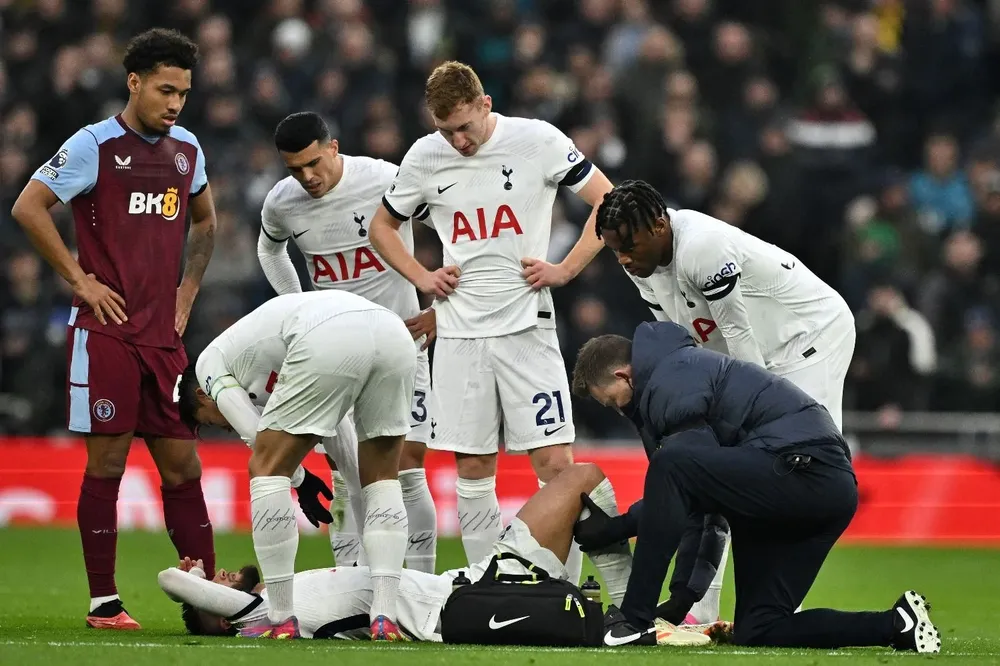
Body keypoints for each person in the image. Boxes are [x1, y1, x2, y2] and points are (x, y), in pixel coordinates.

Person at [369, 61, 614, 583]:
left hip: (528, 328)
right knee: (474, 467)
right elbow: (382, 227)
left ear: (486, 105)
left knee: (555, 465)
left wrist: (567, 268)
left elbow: (607, 200)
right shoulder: (424, 156)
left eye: (464, 126)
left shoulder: (537, 140)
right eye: (446, 131)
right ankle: (485, 585)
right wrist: (422, 276)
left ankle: (562, 589)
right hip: (460, 334)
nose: (458, 141)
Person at [10, 28, 218, 631]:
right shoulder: (93, 144)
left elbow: (206, 222)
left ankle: (209, 599)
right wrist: (80, 280)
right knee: (107, 465)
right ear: (134, 82)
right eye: (165, 90)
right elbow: (27, 206)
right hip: (106, 334)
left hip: (163, 339)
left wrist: (187, 290)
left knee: (184, 468)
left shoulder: (187, 150)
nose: (175, 104)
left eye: (183, 93)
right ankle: (104, 601)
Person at [571, 322, 941, 653]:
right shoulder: (678, 373)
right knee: (760, 628)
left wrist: (617, 528)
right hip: (808, 486)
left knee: (672, 464)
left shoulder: (671, 377)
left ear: (623, 375)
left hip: (805, 473)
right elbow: (700, 493)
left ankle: (634, 621)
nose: (617, 410)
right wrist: (682, 596)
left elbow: (685, 478)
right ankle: (897, 624)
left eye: (611, 400)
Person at [594, 179, 857, 624]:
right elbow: (681, 346)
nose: (622, 259)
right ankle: (700, 608)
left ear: (659, 225)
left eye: (629, 246)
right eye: (615, 250)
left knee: (791, 467)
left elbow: (739, 337)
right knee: (713, 465)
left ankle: (784, 606)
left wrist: (741, 415)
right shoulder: (640, 262)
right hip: (751, 352)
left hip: (806, 338)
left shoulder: (703, 249)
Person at [157, 463, 636, 642]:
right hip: (465, 602)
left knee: (581, 480)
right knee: (581, 480)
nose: (219, 574)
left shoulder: (280, 597)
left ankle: (632, 610)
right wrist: (193, 579)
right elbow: (168, 580)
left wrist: (199, 581)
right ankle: (635, 616)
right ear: (222, 619)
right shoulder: (262, 617)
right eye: (213, 589)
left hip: (470, 581)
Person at [256, 111, 437, 574]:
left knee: (405, 468)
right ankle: (351, 581)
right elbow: (269, 249)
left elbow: (452, 225)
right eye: (295, 169)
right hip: (335, 356)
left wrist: (442, 308)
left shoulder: (384, 179)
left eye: (314, 163)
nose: (307, 177)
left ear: (333, 148)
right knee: (343, 474)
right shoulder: (282, 202)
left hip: (402, 345)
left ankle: (421, 586)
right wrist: (298, 306)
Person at [176, 290, 414, 640]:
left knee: (265, 471)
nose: (224, 426)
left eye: (213, 421)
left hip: (329, 335)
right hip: (392, 334)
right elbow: (341, 440)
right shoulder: (263, 366)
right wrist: (322, 480)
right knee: (378, 480)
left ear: (203, 395)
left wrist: (299, 479)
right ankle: (384, 614)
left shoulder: (209, 365)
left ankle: (282, 617)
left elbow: (252, 433)